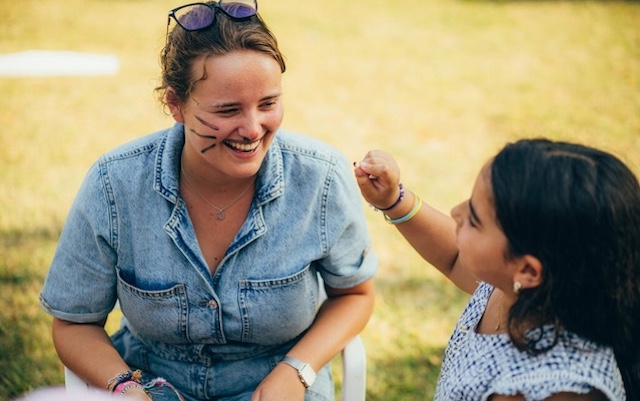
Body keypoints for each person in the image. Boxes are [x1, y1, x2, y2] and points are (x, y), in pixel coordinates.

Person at [39, 2, 377, 400]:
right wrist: (126, 386)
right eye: (227, 109)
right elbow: (74, 323)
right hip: (150, 380)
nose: (252, 129)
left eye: (268, 103)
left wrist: (296, 369)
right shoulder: (114, 184)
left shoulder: (321, 178)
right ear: (175, 104)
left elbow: (355, 294)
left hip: (279, 381)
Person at [354, 138, 640, 400]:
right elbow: (454, 256)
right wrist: (393, 201)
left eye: (475, 220)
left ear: (528, 271)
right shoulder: (522, 288)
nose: (456, 211)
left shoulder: (549, 388)